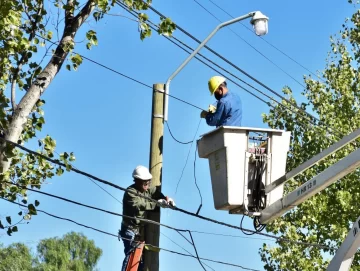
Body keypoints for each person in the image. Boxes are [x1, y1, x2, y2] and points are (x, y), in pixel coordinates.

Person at [119, 165, 175, 271]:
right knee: (131, 256)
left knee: (140, 261)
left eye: (148, 181)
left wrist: (166, 199)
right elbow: (141, 204)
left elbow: (155, 193)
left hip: (139, 231)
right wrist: (157, 204)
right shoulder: (130, 192)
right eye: (145, 181)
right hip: (129, 230)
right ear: (137, 181)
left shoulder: (147, 189)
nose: (147, 184)